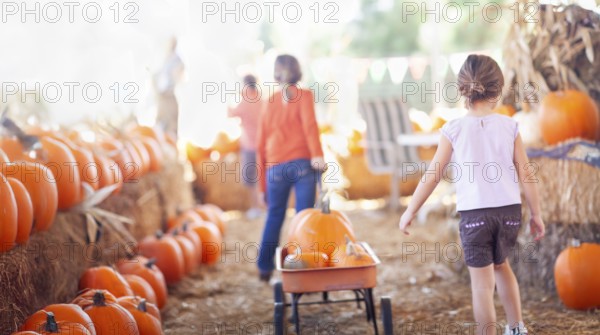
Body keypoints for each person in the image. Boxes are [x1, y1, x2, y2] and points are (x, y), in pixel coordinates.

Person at [398, 54, 545, 335]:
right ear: (498, 89)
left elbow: (433, 175)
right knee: (502, 267)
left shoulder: (452, 129)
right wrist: (536, 214)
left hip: (475, 216)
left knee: (481, 285)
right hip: (509, 214)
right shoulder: (510, 126)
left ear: (462, 89)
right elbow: (527, 174)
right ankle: (516, 328)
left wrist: (411, 210)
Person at [256, 54, 327, 282]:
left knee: (274, 216)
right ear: (298, 72)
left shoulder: (269, 102)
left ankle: (264, 268)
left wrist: (261, 185)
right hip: (302, 165)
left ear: (276, 74)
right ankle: (302, 267)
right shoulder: (304, 96)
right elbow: (310, 126)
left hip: (275, 168)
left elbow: (260, 145)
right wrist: (317, 155)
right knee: (303, 218)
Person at [228, 75, 264, 219]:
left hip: (250, 145)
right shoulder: (261, 100)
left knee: (251, 179)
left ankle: (255, 208)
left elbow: (230, 113)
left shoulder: (244, 101)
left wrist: (230, 97)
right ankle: (265, 206)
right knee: (263, 177)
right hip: (263, 144)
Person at [154, 37, 185, 136]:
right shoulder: (162, 57)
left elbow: (179, 76)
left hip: (169, 96)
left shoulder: (177, 59)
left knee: (171, 126)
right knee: (160, 125)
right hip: (161, 96)